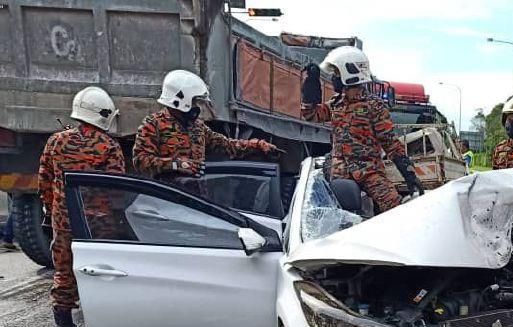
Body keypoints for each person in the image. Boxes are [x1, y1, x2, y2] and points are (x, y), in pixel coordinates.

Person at [38, 86, 126, 327]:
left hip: (64, 218)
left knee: (65, 269)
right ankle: (103, 324)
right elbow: (116, 187)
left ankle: (63, 324)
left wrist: (54, 208)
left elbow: (44, 181)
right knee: (102, 271)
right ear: (103, 114)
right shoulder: (109, 146)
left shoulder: (56, 141)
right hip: (98, 222)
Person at [304, 47, 423, 213]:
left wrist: (409, 174)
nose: (333, 78)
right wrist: (310, 87)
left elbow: (390, 143)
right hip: (340, 173)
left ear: (350, 73)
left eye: (337, 73)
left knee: (395, 211)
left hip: (369, 171)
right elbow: (310, 115)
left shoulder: (374, 106)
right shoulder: (336, 103)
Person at [133, 70, 278, 180]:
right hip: (167, 199)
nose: (197, 106)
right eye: (195, 101)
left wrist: (257, 145)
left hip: (197, 200)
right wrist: (176, 164)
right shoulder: (153, 124)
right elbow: (141, 161)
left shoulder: (198, 127)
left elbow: (226, 145)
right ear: (181, 99)